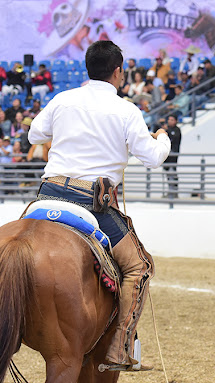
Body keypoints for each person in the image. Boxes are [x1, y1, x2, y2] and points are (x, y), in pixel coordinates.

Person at [28, 40, 171, 371]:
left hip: (47, 195)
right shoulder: (126, 110)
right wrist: (162, 137)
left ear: (87, 69)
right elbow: (152, 158)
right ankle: (120, 349)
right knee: (139, 267)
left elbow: (36, 134)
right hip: (92, 203)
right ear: (119, 72)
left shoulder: (63, 99)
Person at [163, 114, 182, 199]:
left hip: (173, 155)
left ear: (175, 121)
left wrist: (168, 132)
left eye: (172, 120)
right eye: (169, 119)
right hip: (166, 155)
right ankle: (170, 191)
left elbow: (175, 137)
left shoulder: (177, 130)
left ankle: (175, 191)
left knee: (173, 173)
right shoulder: (167, 129)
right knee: (168, 173)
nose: (169, 121)